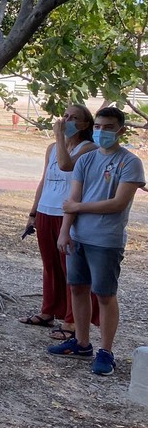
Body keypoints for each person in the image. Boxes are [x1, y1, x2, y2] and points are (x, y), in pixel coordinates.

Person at [48, 107, 144, 377]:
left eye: (109, 127)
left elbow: (118, 203)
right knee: (78, 289)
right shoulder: (86, 160)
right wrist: (65, 231)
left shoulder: (130, 162)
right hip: (78, 236)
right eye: (99, 127)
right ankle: (81, 342)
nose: (102, 132)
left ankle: (106, 351)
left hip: (106, 240)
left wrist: (78, 208)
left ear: (121, 130)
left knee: (104, 294)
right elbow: (72, 199)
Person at [19, 105, 99, 338]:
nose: (67, 121)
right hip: (46, 210)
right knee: (50, 265)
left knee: (70, 269)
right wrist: (33, 212)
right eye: (65, 116)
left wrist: (59, 137)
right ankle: (48, 311)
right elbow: (45, 179)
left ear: (85, 124)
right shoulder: (52, 148)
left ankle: (72, 321)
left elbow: (65, 166)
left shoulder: (88, 148)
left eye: (74, 118)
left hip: (68, 214)